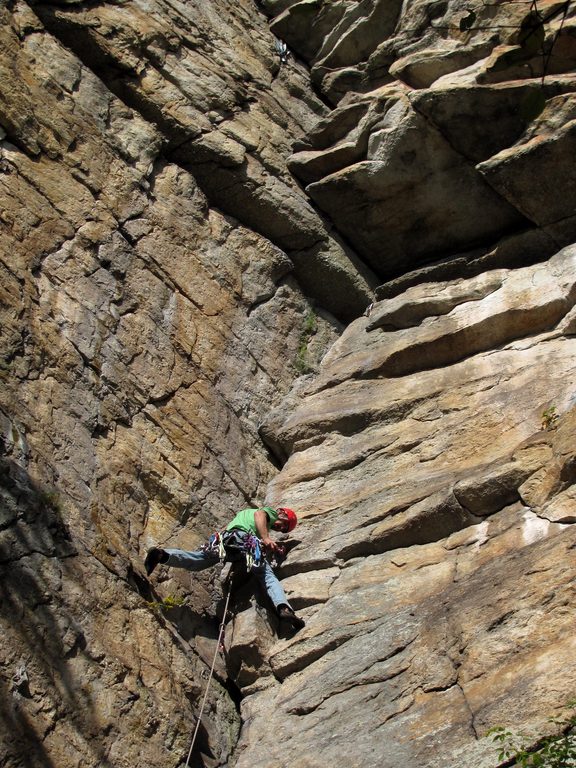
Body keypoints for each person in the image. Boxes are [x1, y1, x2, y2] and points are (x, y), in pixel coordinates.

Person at [144, 506, 305, 630]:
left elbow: (227, 529)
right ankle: (284, 608)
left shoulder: (244, 515)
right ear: (282, 515)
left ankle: (163, 555)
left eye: (283, 530)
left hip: (226, 540)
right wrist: (265, 538)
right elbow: (260, 515)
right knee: (267, 575)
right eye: (284, 526)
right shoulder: (267, 513)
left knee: (200, 560)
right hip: (243, 540)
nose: (280, 529)